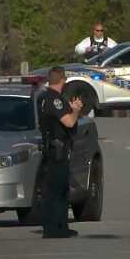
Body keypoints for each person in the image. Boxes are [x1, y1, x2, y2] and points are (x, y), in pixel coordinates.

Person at [37, 66, 83, 238]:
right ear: (63, 80)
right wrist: (76, 110)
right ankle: (55, 228)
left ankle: (58, 226)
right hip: (58, 150)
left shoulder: (42, 97)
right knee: (58, 190)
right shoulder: (55, 99)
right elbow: (69, 122)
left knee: (53, 189)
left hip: (50, 148)